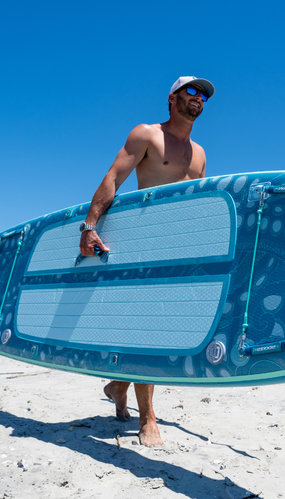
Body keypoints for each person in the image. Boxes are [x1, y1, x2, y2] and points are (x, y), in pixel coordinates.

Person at [78, 76, 215, 447]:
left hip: (179, 249)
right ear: (172, 98)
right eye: (191, 91)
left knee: (168, 331)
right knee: (147, 328)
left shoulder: (200, 154)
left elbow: (199, 205)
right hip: (146, 242)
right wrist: (89, 226)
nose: (198, 98)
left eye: (203, 95)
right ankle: (147, 417)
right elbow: (113, 179)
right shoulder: (147, 135)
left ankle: (118, 386)